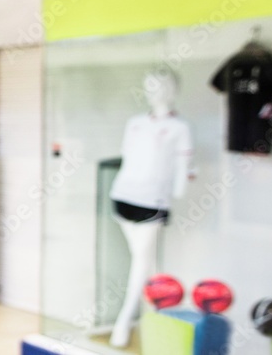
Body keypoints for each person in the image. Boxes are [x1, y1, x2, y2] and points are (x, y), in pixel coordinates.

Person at [108, 69, 193, 347]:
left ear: (172, 89)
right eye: (148, 86)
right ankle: (154, 318)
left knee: (141, 262)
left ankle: (124, 322)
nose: (152, 92)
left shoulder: (180, 128)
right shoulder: (135, 123)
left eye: (158, 86)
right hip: (123, 196)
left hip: (152, 201)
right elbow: (128, 157)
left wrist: (180, 186)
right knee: (146, 262)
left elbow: (181, 170)